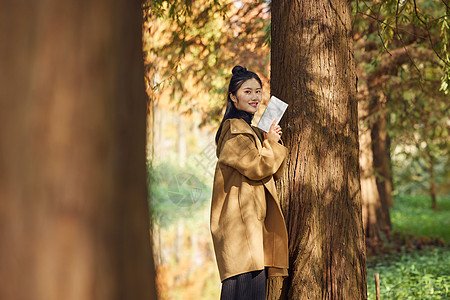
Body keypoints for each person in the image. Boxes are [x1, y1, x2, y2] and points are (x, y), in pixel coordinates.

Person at [210, 65, 289, 300]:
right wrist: (272, 143)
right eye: (247, 92)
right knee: (242, 292)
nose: (255, 97)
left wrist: (268, 140)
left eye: (258, 91)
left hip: (251, 229)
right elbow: (258, 167)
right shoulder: (235, 132)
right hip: (240, 231)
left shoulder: (250, 130)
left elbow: (270, 171)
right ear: (233, 97)